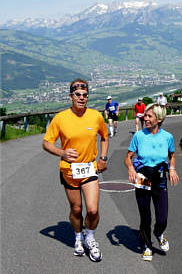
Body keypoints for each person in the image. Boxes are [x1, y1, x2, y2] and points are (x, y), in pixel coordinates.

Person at [42, 78, 109, 262]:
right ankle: (78, 237)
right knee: (77, 209)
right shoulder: (61, 118)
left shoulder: (95, 116)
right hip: (69, 171)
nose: (81, 98)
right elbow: (46, 143)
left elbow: (104, 136)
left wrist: (103, 158)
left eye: (85, 95)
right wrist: (61, 152)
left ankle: (90, 238)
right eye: (78, 95)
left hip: (89, 168)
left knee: (93, 210)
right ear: (70, 96)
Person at [125, 103, 179, 262]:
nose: (145, 118)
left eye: (149, 116)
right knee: (145, 215)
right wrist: (131, 169)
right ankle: (148, 246)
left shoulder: (167, 137)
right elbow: (128, 157)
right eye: (145, 116)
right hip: (142, 176)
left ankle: (159, 233)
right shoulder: (139, 136)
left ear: (159, 119)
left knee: (162, 216)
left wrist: (172, 169)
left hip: (160, 177)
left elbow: (172, 156)